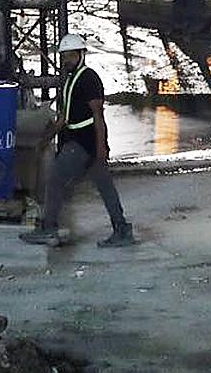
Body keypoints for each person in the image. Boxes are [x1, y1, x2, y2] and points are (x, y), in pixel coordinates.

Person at [22, 34, 134, 248]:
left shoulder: (89, 79)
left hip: (83, 142)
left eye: (71, 55)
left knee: (55, 179)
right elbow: (64, 116)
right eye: (64, 56)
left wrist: (101, 147)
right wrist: (47, 138)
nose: (67, 60)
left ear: (81, 54)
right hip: (82, 141)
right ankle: (121, 229)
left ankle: (49, 228)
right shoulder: (71, 80)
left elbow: (98, 115)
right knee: (104, 186)